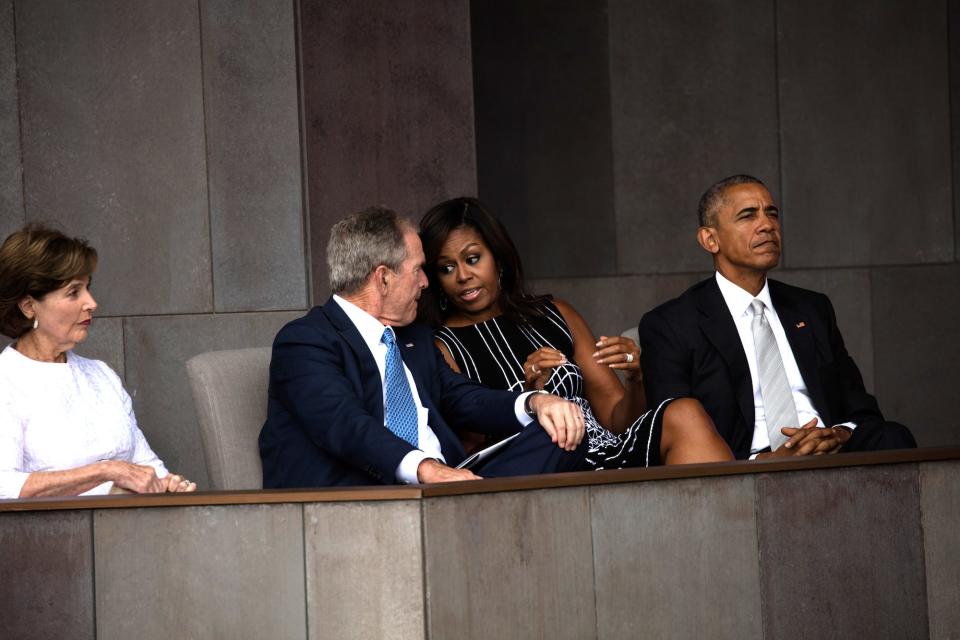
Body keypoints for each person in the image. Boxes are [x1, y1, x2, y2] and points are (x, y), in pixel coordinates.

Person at [258, 207, 588, 488]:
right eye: (418, 270)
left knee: (562, 432)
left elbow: (464, 398)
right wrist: (426, 469)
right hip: (363, 497)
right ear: (383, 278)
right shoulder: (305, 341)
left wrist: (536, 402)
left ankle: (471, 518)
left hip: (448, 489)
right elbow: (346, 426)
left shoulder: (413, 339)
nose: (426, 283)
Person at [418, 197, 733, 469]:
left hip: (606, 451)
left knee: (684, 412)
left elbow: (617, 419)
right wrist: (527, 398)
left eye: (473, 259)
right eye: (446, 268)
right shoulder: (441, 346)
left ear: (498, 259)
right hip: (547, 466)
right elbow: (471, 453)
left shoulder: (554, 314)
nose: (462, 276)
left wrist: (636, 377)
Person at [639, 175, 917, 459]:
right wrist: (766, 461)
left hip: (830, 450)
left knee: (894, 436)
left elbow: (862, 409)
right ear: (710, 239)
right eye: (748, 216)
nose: (767, 225)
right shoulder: (671, 324)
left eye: (772, 214)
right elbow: (675, 438)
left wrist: (837, 434)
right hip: (746, 466)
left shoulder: (811, 309)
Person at [0, 224, 196, 498]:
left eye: (88, 289)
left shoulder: (101, 375)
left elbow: (147, 467)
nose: (91, 303)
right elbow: (3, 486)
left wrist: (168, 484)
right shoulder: (6, 380)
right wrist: (106, 471)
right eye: (73, 292)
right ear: (29, 306)